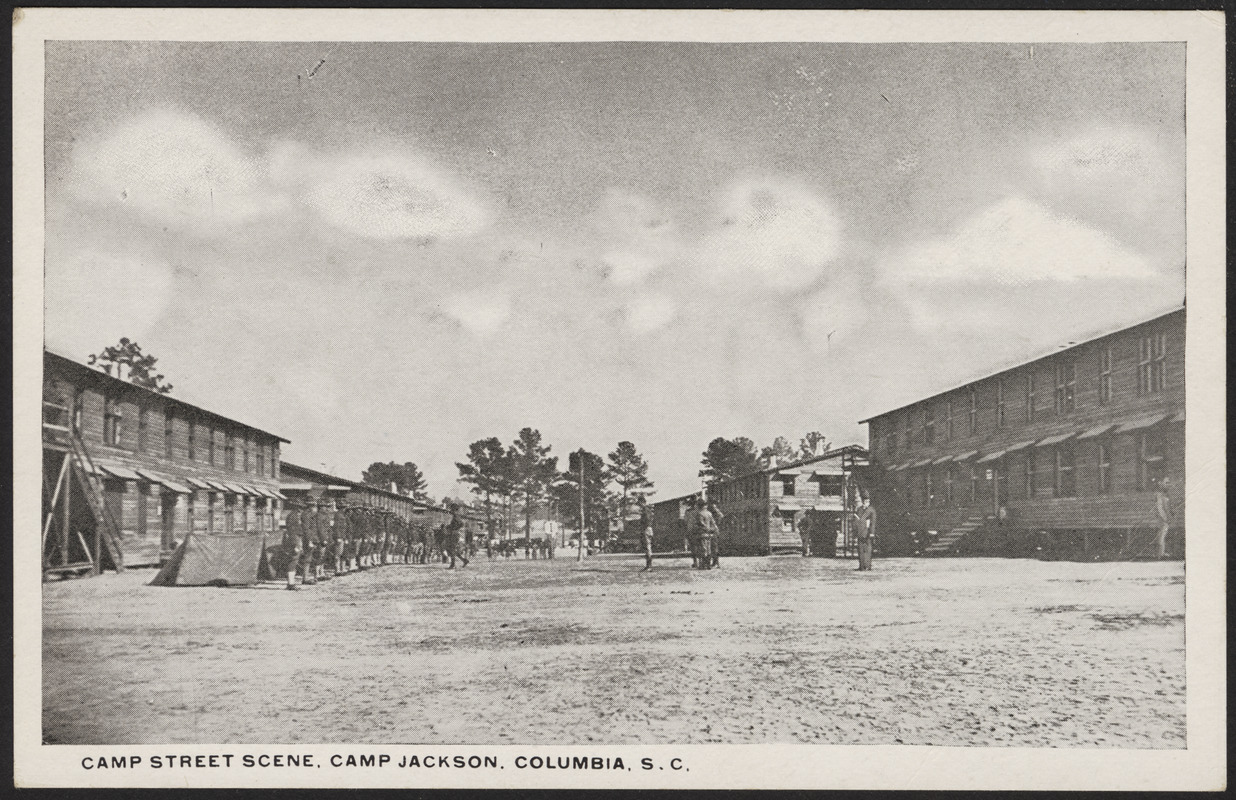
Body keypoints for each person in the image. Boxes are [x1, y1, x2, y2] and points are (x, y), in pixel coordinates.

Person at [281, 500, 304, 590]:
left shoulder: (295, 516)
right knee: (293, 560)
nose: (301, 509)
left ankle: (291, 582)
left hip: (297, 538)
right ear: (297, 507)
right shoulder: (292, 516)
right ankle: (290, 583)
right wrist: (296, 544)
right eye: (300, 507)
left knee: (295, 560)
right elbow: (292, 531)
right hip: (294, 539)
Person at [855, 493, 876, 571]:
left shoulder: (871, 510)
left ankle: (867, 565)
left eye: (867, 501)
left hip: (867, 532)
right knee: (860, 549)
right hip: (860, 531)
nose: (865, 502)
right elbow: (856, 520)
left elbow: (873, 523)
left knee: (867, 549)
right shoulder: (859, 509)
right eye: (864, 501)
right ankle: (861, 566)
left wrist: (872, 533)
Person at [1154, 477, 1173, 559]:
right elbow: (1160, 508)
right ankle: (1160, 555)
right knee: (1162, 535)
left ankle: (1161, 553)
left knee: (1163, 535)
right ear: (1161, 483)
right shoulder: (1160, 495)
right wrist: (1165, 518)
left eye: (1169, 483)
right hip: (1162, 519)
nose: (1168, 484)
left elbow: (1167, 507)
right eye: (1166, 483)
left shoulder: (1165, 494)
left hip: (1165, 518)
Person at [445, 503, 468, 568]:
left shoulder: (456, 515)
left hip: (454, 534)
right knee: (451, 549)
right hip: (453, 533)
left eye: (451, 508)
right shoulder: (456, 515)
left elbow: (461, 524)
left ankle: (453, 564)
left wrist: (453, 528)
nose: (450, 510)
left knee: (451, 549)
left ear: (454, 509)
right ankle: (464, 560)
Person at [637, 495, 654, 571]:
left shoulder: (645, 509)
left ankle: (649, 566)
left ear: (643, 502)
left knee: (647, 547)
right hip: (648, 528)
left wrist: (643, 527)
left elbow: (647, 520)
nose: (639, 505)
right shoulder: (647, 509)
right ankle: (648, 565)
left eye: (640, 503)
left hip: (646, 529)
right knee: (646, 547)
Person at [706, 498, 724, 569]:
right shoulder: (713, 511)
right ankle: (714, 562)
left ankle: (715, 562)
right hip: (713, 530)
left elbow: (720, 518)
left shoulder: (714, 511)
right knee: (712, 547)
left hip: (714, 531)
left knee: (713, 547)